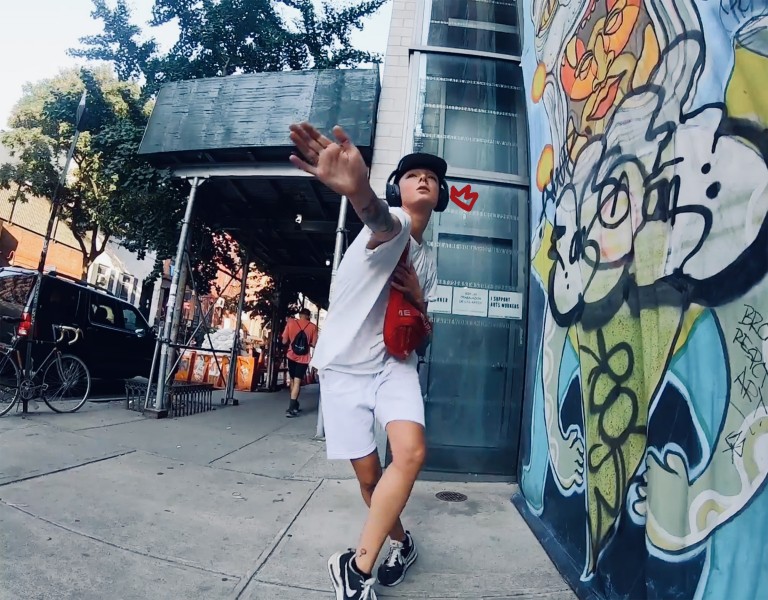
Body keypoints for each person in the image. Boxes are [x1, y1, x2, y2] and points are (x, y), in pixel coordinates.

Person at [289, 121, 448, 600]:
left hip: (393, 364)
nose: (424, 179)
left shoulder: (430, 260)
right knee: (371, 481)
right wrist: (358, 190)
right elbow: (380, 220)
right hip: (344, 368)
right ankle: (402, 543)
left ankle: (356, 568)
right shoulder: (391, 222)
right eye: (413, 174)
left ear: (441, 195)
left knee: (411, 454)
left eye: (432, 177)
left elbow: (423, 334)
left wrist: (418, 299)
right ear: (397, 189)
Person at [281, 307, 319, 417]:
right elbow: (314, 344)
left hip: (291, 355)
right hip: (303, 358)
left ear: (300, 315)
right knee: (297, 382)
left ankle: (294, 404)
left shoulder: (291, 323)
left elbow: (284, 340)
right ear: (308, 316)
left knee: (293, 381)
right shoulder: (313, 327)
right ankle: (291, 408)